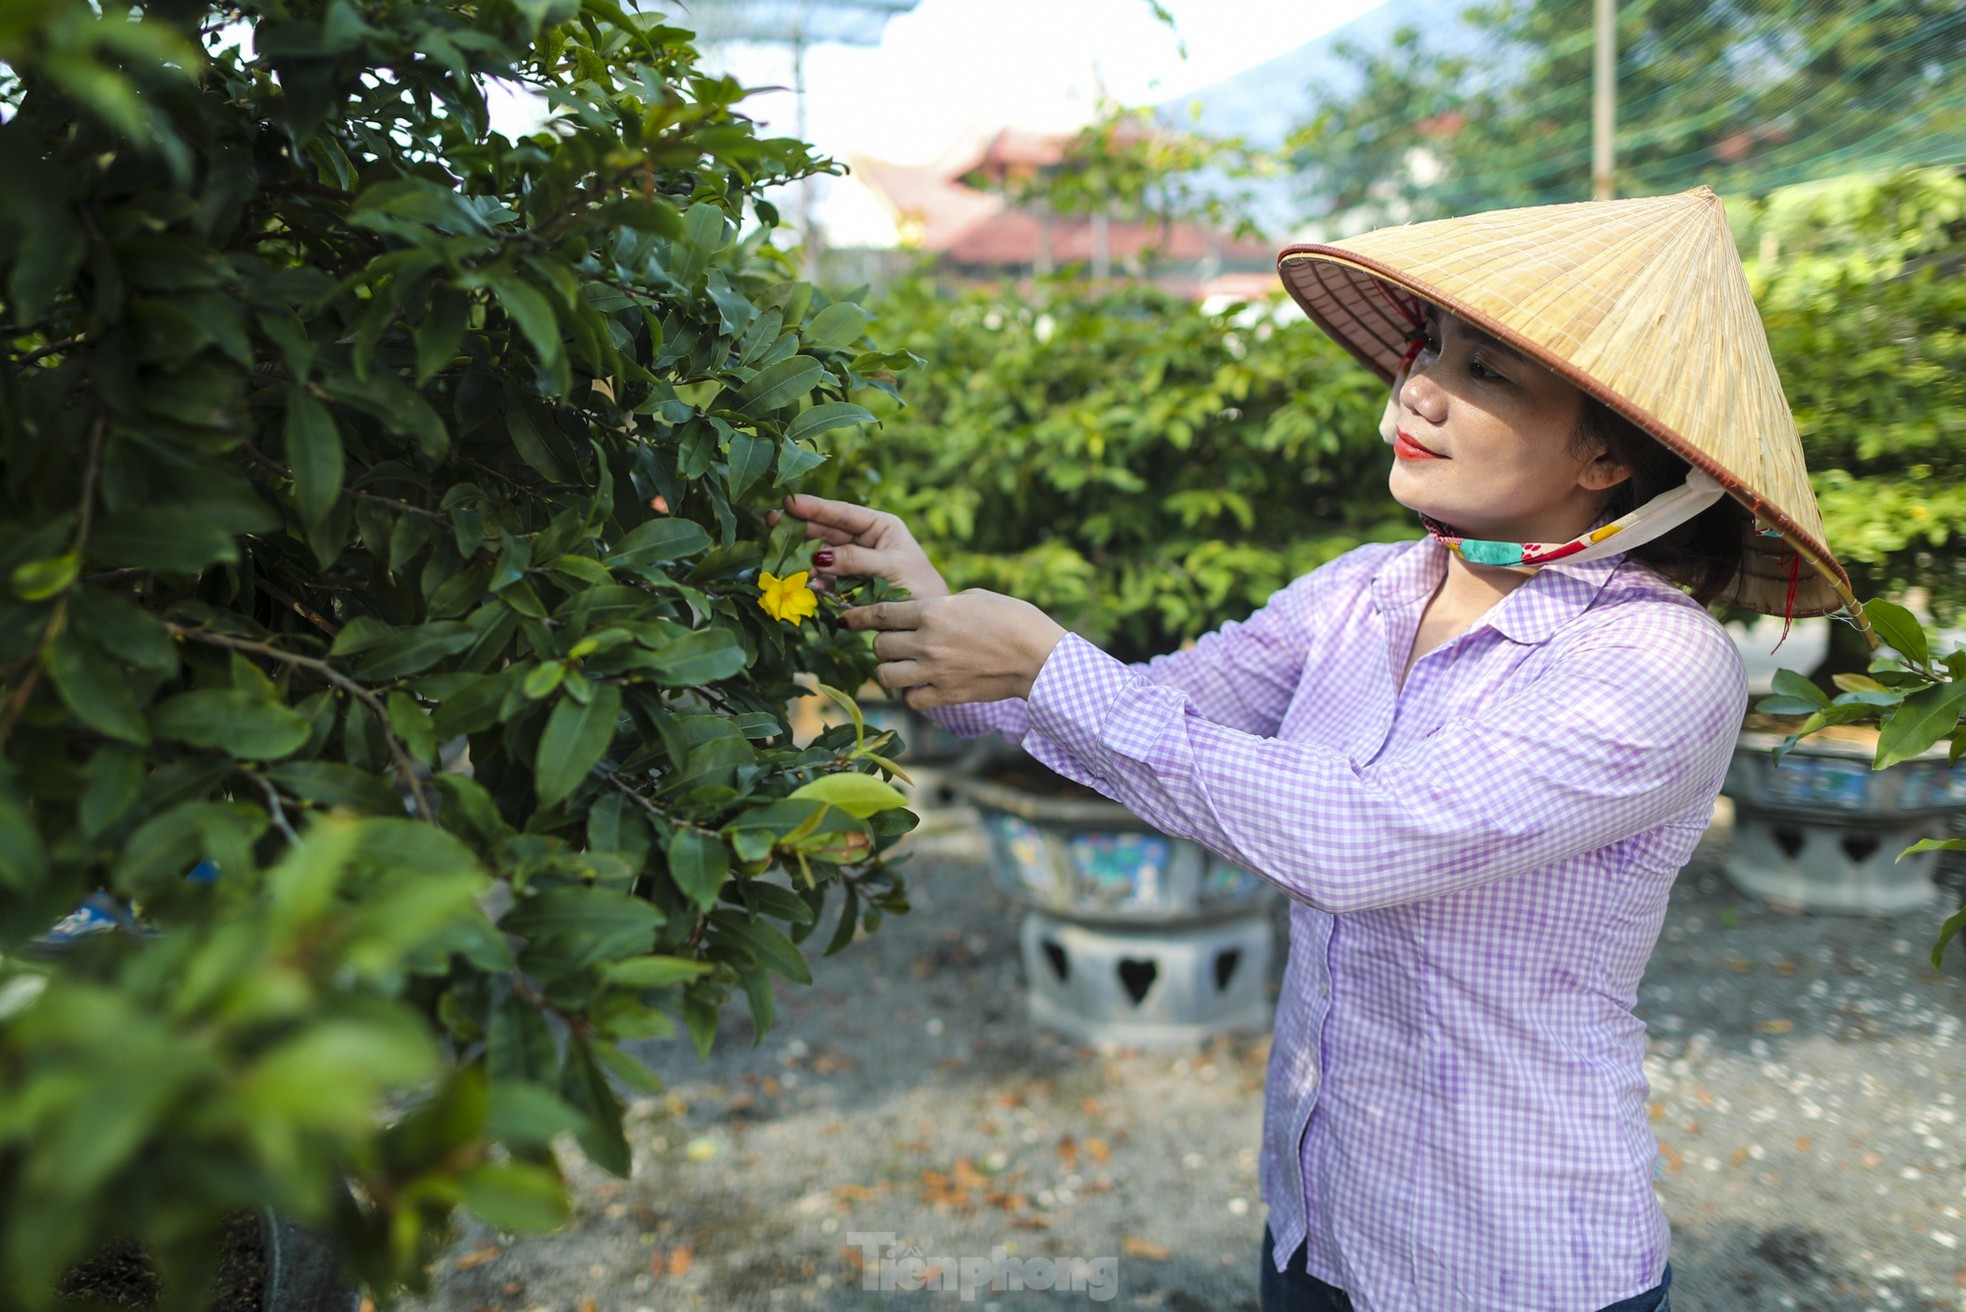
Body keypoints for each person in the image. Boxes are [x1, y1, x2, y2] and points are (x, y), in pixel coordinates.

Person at [776, 187, 1869, 1312]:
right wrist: (931, 615)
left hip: (1511, 1255)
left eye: (1484, 372)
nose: (1419, 389)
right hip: (1322, 1213)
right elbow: (1132, 720)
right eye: (1428, 347)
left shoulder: (1654, 663)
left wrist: (1045, 664)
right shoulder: (1364, 590)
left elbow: (1358, 838)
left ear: (1607, 458)